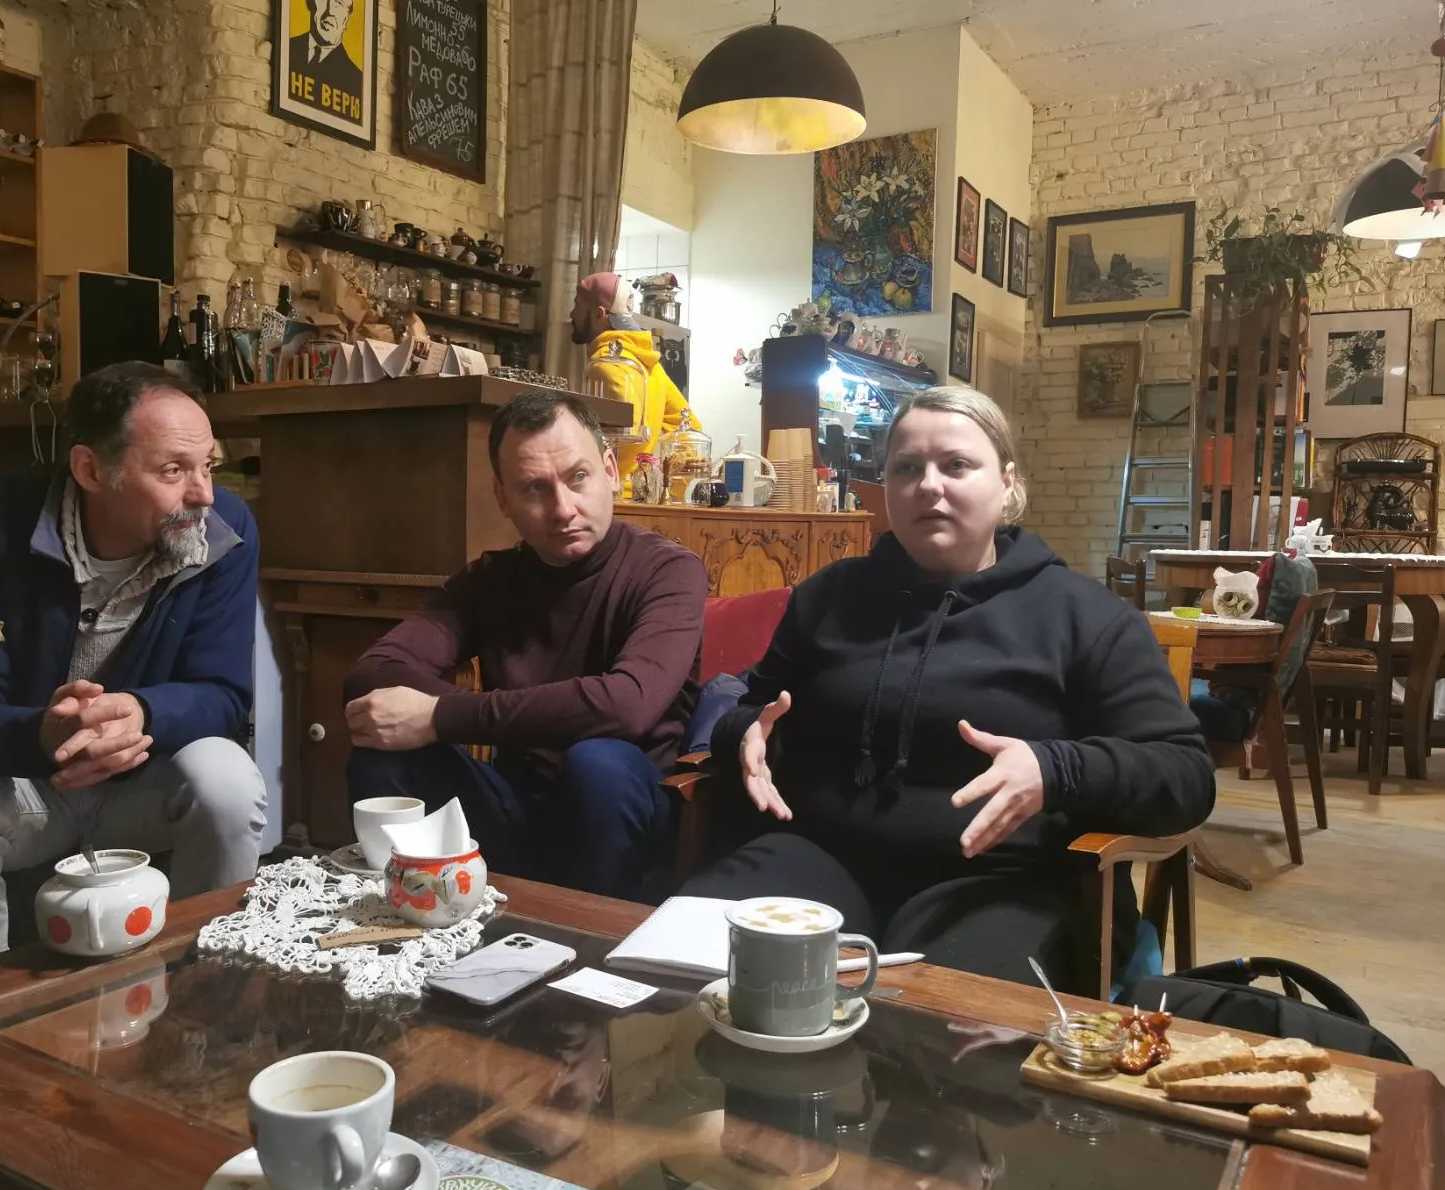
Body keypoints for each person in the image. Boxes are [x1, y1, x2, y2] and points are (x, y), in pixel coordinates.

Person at [681, 386, 1215, 993]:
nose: (928, 486)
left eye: (957, 465)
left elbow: (1185, 776)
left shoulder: (1086, 617)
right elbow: (754, 707)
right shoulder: (828, 597)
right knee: (680, 970)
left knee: (940, 1028)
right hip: (813, 856)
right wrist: (742, 734)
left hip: (1006, 884)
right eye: (907, 468)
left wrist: (1055, 768)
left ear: (1007, 482)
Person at [0, 362, 267, 969]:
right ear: (91, 470)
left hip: (143, 776)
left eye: (208, 466)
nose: (203, 494)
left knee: (228, 782)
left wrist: (142, 712)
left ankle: (207, 980)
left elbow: (224, 691)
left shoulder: (223, 530)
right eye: (173, 470)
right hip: (23, 779)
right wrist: (42, 735)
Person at [344, 391, 706, 901]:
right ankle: (416, 921)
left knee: (595, 763)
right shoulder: (493, 580)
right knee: (381, 756)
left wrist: (439, 716)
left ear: (610, 471)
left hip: (621, 812)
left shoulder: (668, 571)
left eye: (578, 477)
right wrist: (437, 718)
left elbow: (626, 704)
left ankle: (595, 936)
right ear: (503, 498)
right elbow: (373, 672)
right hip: (513, 807)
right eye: (535, 488)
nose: (562, 509)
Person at [570, 272, 700, 491]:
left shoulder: (605, 364)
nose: (572, 314)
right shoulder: (652, 366)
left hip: (610, 496)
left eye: (577, 306)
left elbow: (619, 436)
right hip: (641, 495)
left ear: (599, 314)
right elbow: (691, 427)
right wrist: (668, 482)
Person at [287, 0, 363, 122]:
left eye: (339, 3)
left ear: (346, 19)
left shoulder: (356, 81)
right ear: (310, 3)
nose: (330, 11)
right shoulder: (286, 49)